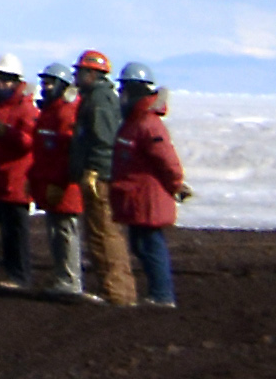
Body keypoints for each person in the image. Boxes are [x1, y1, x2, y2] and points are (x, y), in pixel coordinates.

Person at [65, 50, 136, 307]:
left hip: (101, 179)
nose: (75, 75)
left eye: (80, 71)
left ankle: (116, 294)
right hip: (99, 175)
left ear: (92, 73)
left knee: (105, 235)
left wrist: (95, 171)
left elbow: (105, 141)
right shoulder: (94, 98)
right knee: (101, 235)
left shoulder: (100, 101)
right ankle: (117, 292)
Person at [112, 77, 187, 308]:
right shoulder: (135, 122)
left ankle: (162, 295)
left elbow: (167, 160)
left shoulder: (148, 124)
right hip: (138, 197)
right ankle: (158, 293)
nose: (121, 96)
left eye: (124, 90)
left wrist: (176, 184)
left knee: (150, 245)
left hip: (147, 198)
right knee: (141, 245)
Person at [0, 68, 46, 294]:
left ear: (15, 83)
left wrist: (5, 132)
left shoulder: (27, 110)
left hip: (14, 182)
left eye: (4, 80)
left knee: (15, 234)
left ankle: (19, 277)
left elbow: (29, 142)